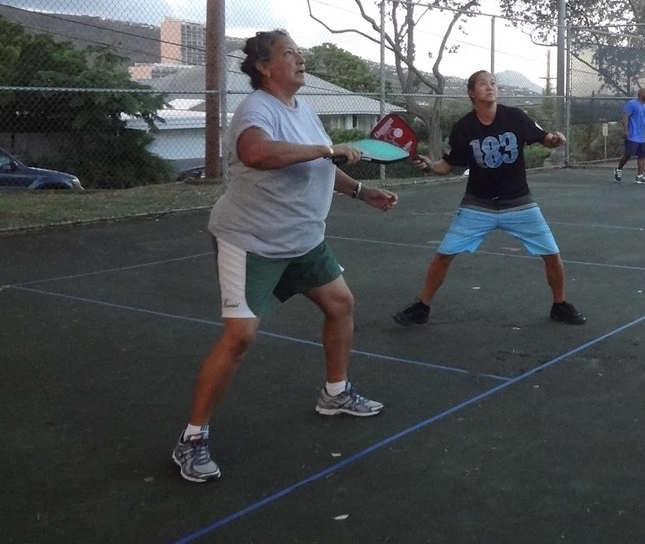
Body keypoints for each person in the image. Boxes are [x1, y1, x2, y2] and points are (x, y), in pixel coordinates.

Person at [172, 29, 398, 484]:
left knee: (341, 305)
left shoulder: (303, 110)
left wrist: (361, 191)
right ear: (263, 66)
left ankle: (335, 393)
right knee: (240, 338)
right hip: (251, 240)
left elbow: (319, 165)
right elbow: (256, 153)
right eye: (289, 53)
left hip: (303, 239)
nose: (300, 59)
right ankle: (192, 439)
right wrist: (325, 148)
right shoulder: (256, 108)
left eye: (299, 52)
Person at [393, 70, 585, 327]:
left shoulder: (515, 117)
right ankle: (422, 306)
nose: (490, 87)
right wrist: (429, 164)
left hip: (518, 201)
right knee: (444, 254)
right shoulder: (463, 128)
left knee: (551, 253)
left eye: (493, 83)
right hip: (478, 204)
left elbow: (545, 139)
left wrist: (555, 139)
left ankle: (560, 305)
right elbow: (447, 165)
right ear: (472, 92)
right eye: (483, 84)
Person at [615, 87, 645, 184]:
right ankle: (618, 170)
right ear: (640, 94)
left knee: (642, 156)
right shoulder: (631, 104)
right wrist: (626, 130)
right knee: (628, 155)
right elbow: (625, 117)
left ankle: (639, 177)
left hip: (642, 137)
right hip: (632, 136)